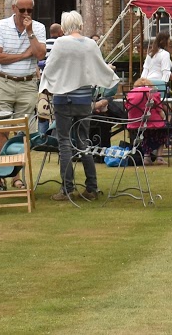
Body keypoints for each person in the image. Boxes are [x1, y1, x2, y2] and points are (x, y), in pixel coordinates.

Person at [39, 11, 119, 202]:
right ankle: (92, 187)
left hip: (63, 100)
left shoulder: (60, 43)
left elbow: (50, 67)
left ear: (63, 27)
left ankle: (67, 189)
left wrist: (46, 82)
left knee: (65, 143)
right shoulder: (90, 44)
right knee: (84, 142)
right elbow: (99, 67)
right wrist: (109, 73)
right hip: (84, 101)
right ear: (81, 25)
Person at [0, 0, 48, 157]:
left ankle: (18, 171)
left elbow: (40, 55)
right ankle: (2, 169)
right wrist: (23, 55)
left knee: (24, 131)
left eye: (30, 10)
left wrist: (30, 32)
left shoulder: (38, 28)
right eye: (22, 10)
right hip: (3, 82)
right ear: (14, 8)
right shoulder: (0, 26)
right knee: (3, 129)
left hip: (27, 84)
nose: (26, 14)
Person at [124, 76, 171, 162]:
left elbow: (127, 108)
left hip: (135, 122)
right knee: (167, 128)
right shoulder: (153, 92)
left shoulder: (130, 93)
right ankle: (159, 156)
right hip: (153, 122)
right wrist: (164, 118)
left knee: (145, 132)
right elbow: (159, 109)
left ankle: (146, 156)